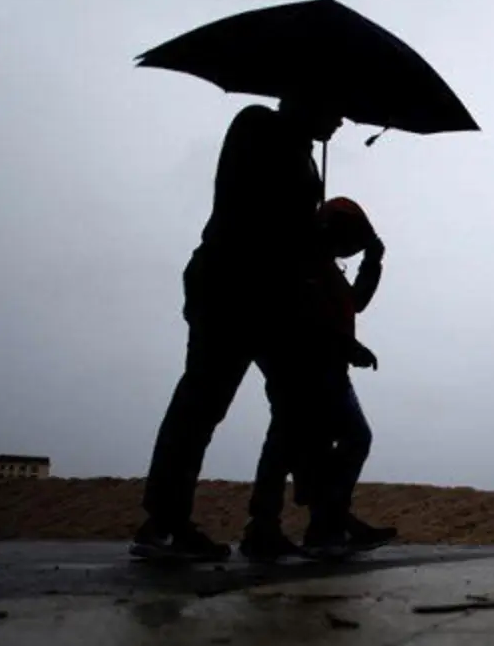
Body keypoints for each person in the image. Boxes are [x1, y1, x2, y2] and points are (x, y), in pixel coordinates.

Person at [131, 97, 341, 562]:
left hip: (273, 300)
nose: (341, 119)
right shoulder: (259, 126)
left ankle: (267, 525)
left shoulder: (303, 152)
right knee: (203, 402)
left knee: (295, 405)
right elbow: (255, 211)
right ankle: (164, 521)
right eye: (334, 107)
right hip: (231, 288)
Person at [241, 197, 398, 561]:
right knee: (299, 442)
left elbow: (355, 302)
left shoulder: (325, 267)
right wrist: (347, 346)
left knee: (303, 445)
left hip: (327, 368)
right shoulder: (303, 263)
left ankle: (325, 522)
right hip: (307, 369)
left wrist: (373, 261)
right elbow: (302, 318)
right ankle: (315, 525)